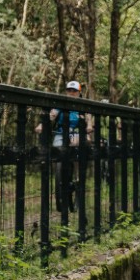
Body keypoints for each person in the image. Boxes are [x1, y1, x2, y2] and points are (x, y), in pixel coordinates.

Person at [36, 80, 92, 214]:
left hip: (77, 133)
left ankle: (77, 178)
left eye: (74, 91)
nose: (71, 93)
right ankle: (60, 179)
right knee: (57, 152)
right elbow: (52, 115)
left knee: (77, 148)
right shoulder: (60, 104)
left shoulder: (83, 105)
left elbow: (88, 118)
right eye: (69, 90)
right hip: (61, 133)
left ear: (79, 92)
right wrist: (42, 125)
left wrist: (89, 126)